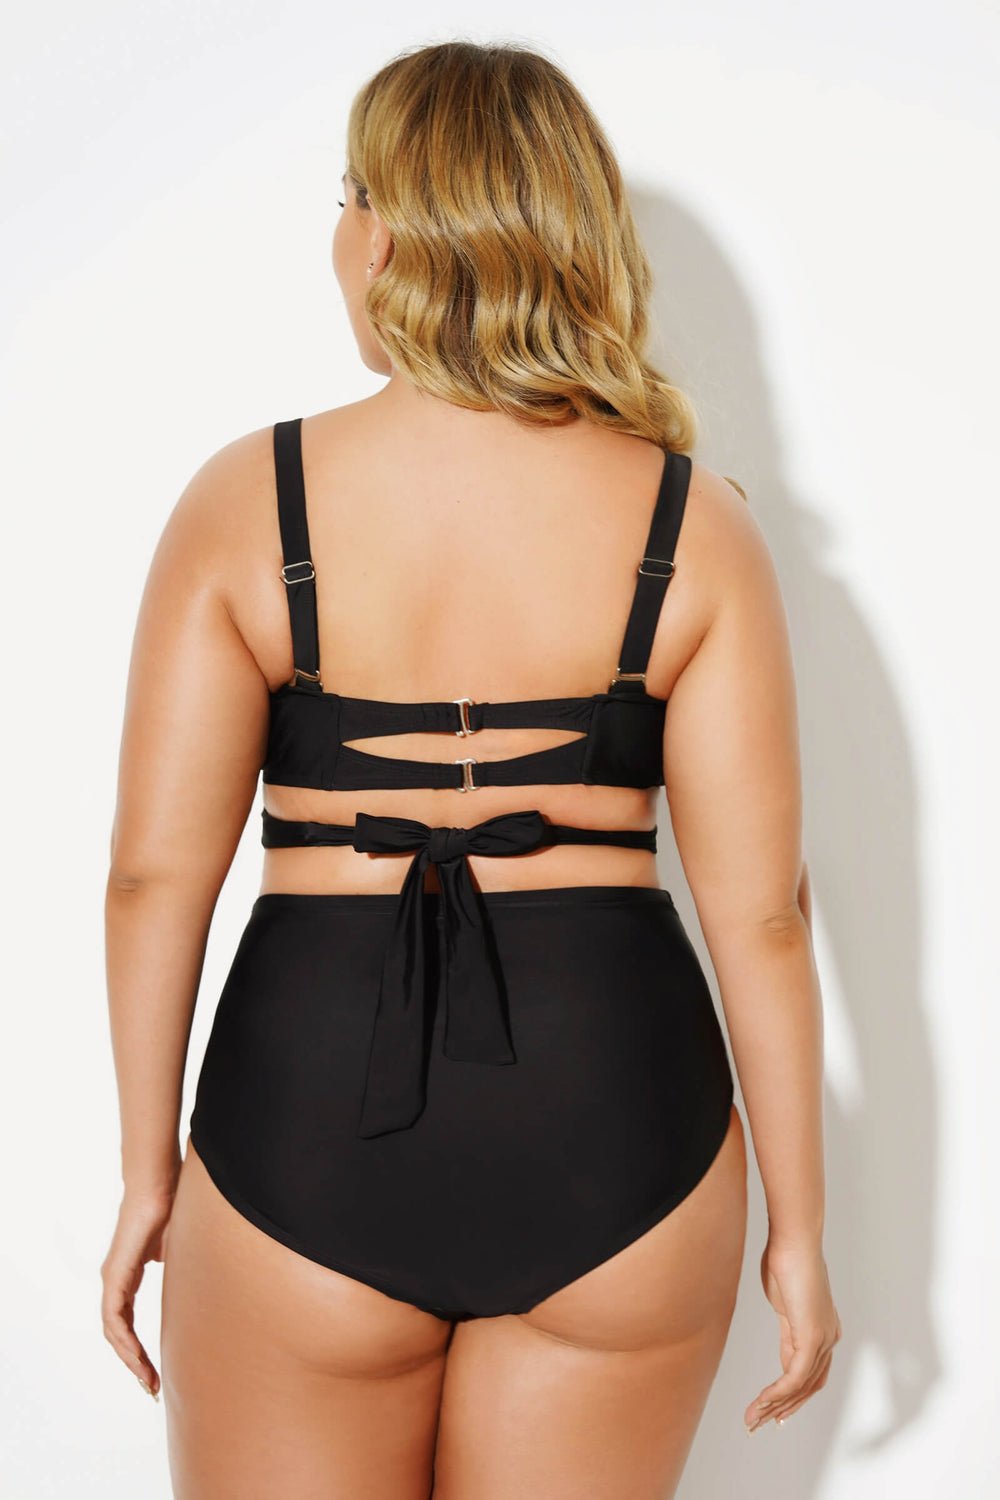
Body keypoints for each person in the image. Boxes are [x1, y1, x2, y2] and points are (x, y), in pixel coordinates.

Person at [100, 38, 841, 1499]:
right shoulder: (695, 524)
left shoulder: (251, 501)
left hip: (302, 1128)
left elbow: (149, 880)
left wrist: (144, 1176)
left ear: (386, 231)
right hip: (621, 1128)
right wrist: (801, 1232)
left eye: (345, 198)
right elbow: (764, 913)